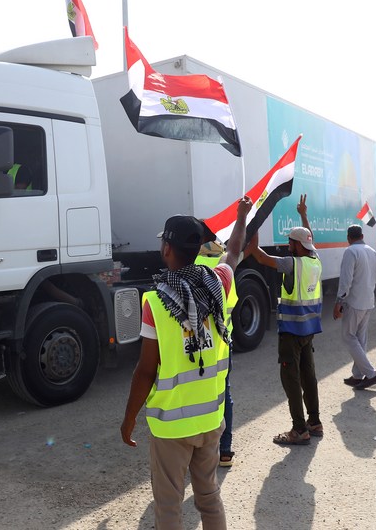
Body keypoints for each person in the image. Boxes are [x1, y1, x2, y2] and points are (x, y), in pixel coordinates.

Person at [121, 196, 252, 530]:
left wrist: (129, 418)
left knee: (168, 507)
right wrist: (242, 215)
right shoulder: (218, 285)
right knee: (209, 498)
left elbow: (146, 371)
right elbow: (234, 252)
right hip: (211, 418)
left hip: (172, 427)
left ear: (166, 249)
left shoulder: (156, 301)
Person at [249, 194, 324, 445]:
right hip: (309, 331)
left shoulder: (292, 264)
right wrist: (303, 215)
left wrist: (254, 224)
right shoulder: (315, 262)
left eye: (290, 241)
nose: (287, 244)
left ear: (296, 245)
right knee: (309, 377)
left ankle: (299, 430)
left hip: (291, 333)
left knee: (291, 379)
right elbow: (309, 238)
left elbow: (259, 257)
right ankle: (314, 422)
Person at [194, 239, 238, 467]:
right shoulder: (224, 270)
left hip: (195, 343)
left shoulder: (192, 264)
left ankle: (200, 450)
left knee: (197, 394)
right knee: (224, 394)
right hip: (222, 344)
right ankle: (225, 451)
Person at [333, 224, 376, 389]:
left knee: (348, 337)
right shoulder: (372, 251)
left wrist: (339, 301)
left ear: (348, 237)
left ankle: (371, 374)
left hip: (354, 301)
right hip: (368, 300)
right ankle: (358, 375)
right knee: (360, 340)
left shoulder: (351, 251)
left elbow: (346, 280)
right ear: (361, 235)